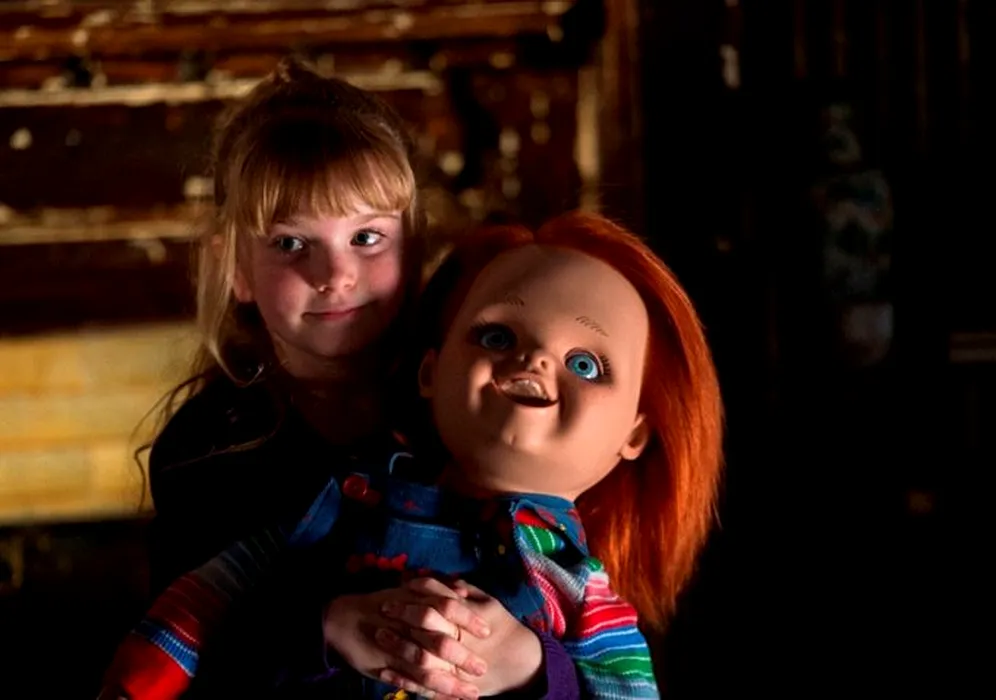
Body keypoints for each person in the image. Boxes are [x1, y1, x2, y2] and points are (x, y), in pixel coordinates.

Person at [105, 212, 724, 699]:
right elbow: (210, 602)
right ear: (431, 373)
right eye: (497, 336)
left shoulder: (583, 596)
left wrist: (532, 669)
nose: (534, 360)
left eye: (585, 364)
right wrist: (325, 628)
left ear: (634, 435)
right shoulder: (344, 498)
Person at [120, 56, 579, 700]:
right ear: (237, 269)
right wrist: (327, 627)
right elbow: (186, 654)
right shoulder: (205, 449)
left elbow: (586, 614)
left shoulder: (467, 404)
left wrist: (528, 663)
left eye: (366, 237)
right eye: (290, 243)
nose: (335, 275)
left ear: (413, 246)